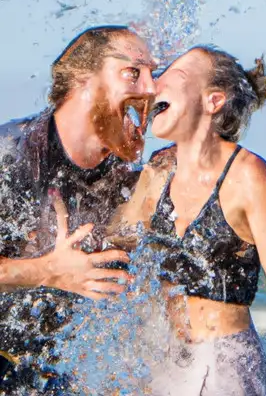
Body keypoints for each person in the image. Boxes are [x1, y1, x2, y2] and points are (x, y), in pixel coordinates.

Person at [112, 45, 266, 394]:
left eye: (176, 74)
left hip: (227, 367)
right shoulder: (159, 169)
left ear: (213, 101)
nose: (156, 83)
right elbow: (114, 247)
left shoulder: (249, 176)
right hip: (165, 363)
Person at [0, 25, 156, 393]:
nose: (150, 88)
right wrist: (46, 270)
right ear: (83, 80)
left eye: (153, 74)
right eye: (133, 72)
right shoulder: (10, 154)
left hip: (45, 373)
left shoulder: (128, 180)